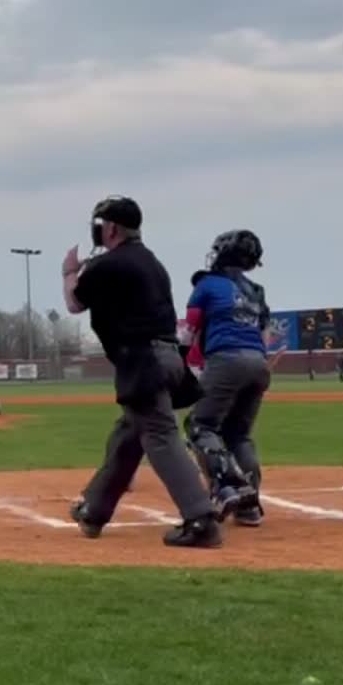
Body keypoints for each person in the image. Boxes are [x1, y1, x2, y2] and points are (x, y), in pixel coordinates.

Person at [62, 195, 226, 547]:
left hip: (143, 361)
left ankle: (201, 520)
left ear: (111, 228)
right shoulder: (151, 261)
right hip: (166, 358)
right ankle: (94, 509)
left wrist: (69, 272)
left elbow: (74, 302)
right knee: (129, 435)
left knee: (160, 436)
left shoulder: (111, 264)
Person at [184, 230, 271, 528]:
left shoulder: (207, 284)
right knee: (238, 433)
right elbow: (263, 334)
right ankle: (250, 506)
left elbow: (190, 329)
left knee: (200, 425)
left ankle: (226, 486)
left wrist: (180, 362)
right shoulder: (256, 291)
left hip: (225, 359)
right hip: (259, 363)